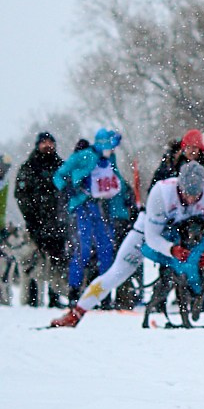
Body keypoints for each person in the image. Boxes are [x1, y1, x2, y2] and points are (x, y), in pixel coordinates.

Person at [52, 161, 204, 328]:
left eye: (195, 195)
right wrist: (172, 250)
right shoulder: (161, 192)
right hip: (146, 234)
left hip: (180, 237)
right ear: (178, 184)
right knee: (117, 273)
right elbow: (152, 238)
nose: (189, 199)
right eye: (185, 193)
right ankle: (75, 314)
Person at [53, 129, 127, 304]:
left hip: (103, 208)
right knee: (82, 249)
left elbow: (117, 183)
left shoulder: (110, 159)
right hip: (83, 207)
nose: (111, 151)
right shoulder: (83, 156)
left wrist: (122, 210)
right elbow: (60, 175)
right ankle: (74, 291)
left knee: (106, 249)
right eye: (109, 147)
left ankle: (104, 294)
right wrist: (68, 187)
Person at [14, 132, 69, 307]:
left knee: (57, 264)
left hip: (57, 223)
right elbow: (21, 195)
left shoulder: (61, 166)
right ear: (38, 145)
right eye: (44, 142)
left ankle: (55, 296)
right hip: (35, 223)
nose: (47, 145)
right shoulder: (29, 167)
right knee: (33, 264)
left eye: (50, 142)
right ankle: (31, 299)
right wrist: (31, 218)